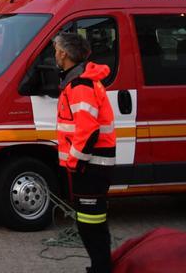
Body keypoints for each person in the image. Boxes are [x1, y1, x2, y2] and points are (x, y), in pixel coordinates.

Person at [54, 31, 116, 273]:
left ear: (64, 53)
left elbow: (88, 130)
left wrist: (74, 162)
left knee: (91, 223)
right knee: (91, 221)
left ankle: (101, 268)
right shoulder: (78, 81)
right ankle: (100, 266)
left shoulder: (80, 85)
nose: (55, 55)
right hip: (91, 164)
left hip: (91, 165)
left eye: (57, 50)